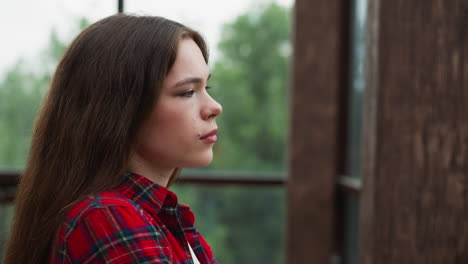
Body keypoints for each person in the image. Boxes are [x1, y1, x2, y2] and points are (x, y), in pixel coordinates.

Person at [3, 14, 222, 264]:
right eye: (187, 92)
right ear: (122, 109)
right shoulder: (108, 218)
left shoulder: (165, 220)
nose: (214, 107)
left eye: (207, 88)